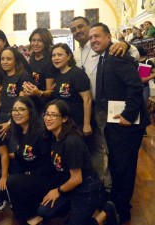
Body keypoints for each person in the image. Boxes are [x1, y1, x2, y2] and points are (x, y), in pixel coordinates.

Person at [70, 16, 139, 190]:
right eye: (73, 29)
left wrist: (126, 44)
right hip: (87, 106)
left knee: (112, 150)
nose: (77, 31)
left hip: (108, 107)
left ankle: (111, 187)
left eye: (81, 27)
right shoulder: (76, 53)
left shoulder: (111, 46)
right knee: (96, 147)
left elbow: (135, 56)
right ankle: (100, 183)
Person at [89, 22, 149, 224]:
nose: (93, 40)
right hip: (115, 122)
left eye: (97, 36)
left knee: (124, 168)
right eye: (91, 37)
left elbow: (135, 86)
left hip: (127, 124)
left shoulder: (117, 56)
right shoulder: (104, 58)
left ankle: (122, 211)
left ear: (108, 37)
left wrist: (128, 115)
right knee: (117, 165)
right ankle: (116, 205)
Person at [32, 100, 105, 225]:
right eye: (46, 114)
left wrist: (58, 191)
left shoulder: (71, 142)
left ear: (64, 118)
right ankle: (73, 211)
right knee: (44, 211)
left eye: (54, 115)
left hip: (86, 188)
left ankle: (105, 213)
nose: (48, 118)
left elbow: (77, 179)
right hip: (68, 184)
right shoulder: (53, 136)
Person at [6, 96, 56, 223]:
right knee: (6, 186)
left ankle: (36, 214)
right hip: (32, 175)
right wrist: (6, 155)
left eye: (21, 110)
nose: (17, 113)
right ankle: (29, 214)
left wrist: (30, 174)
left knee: (13, 181)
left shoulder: (40, 133)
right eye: (14, 110)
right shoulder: (19, 131)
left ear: (30, 111)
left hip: (48, 178)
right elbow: (22, 154)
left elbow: (50, 164)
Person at [51, 43, 92, 136]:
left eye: (60, 55)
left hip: (77, 123)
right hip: (63, 122)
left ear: (69, 56)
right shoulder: (57, 74)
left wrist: (86, 124)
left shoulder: (77, 74)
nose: (56, 58)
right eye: (53, 55)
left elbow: (87, 100)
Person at [0, 47, 34, 139]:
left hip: (17, 120)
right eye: (2, 59)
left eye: (8, 59)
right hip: (4, 116)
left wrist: (9, 123)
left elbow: (22, 105)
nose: (4, 62)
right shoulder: (4, 76)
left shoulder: (23, 76)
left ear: (16, 61)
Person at [22, 28, 57, 114]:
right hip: (34, 103)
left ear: (46, 42)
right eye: (33, 40)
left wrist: (39, 93)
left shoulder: (49, 61)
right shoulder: (32, 58)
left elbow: (50, 91)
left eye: (40, 41)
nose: (36, 44)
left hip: (47, 105)